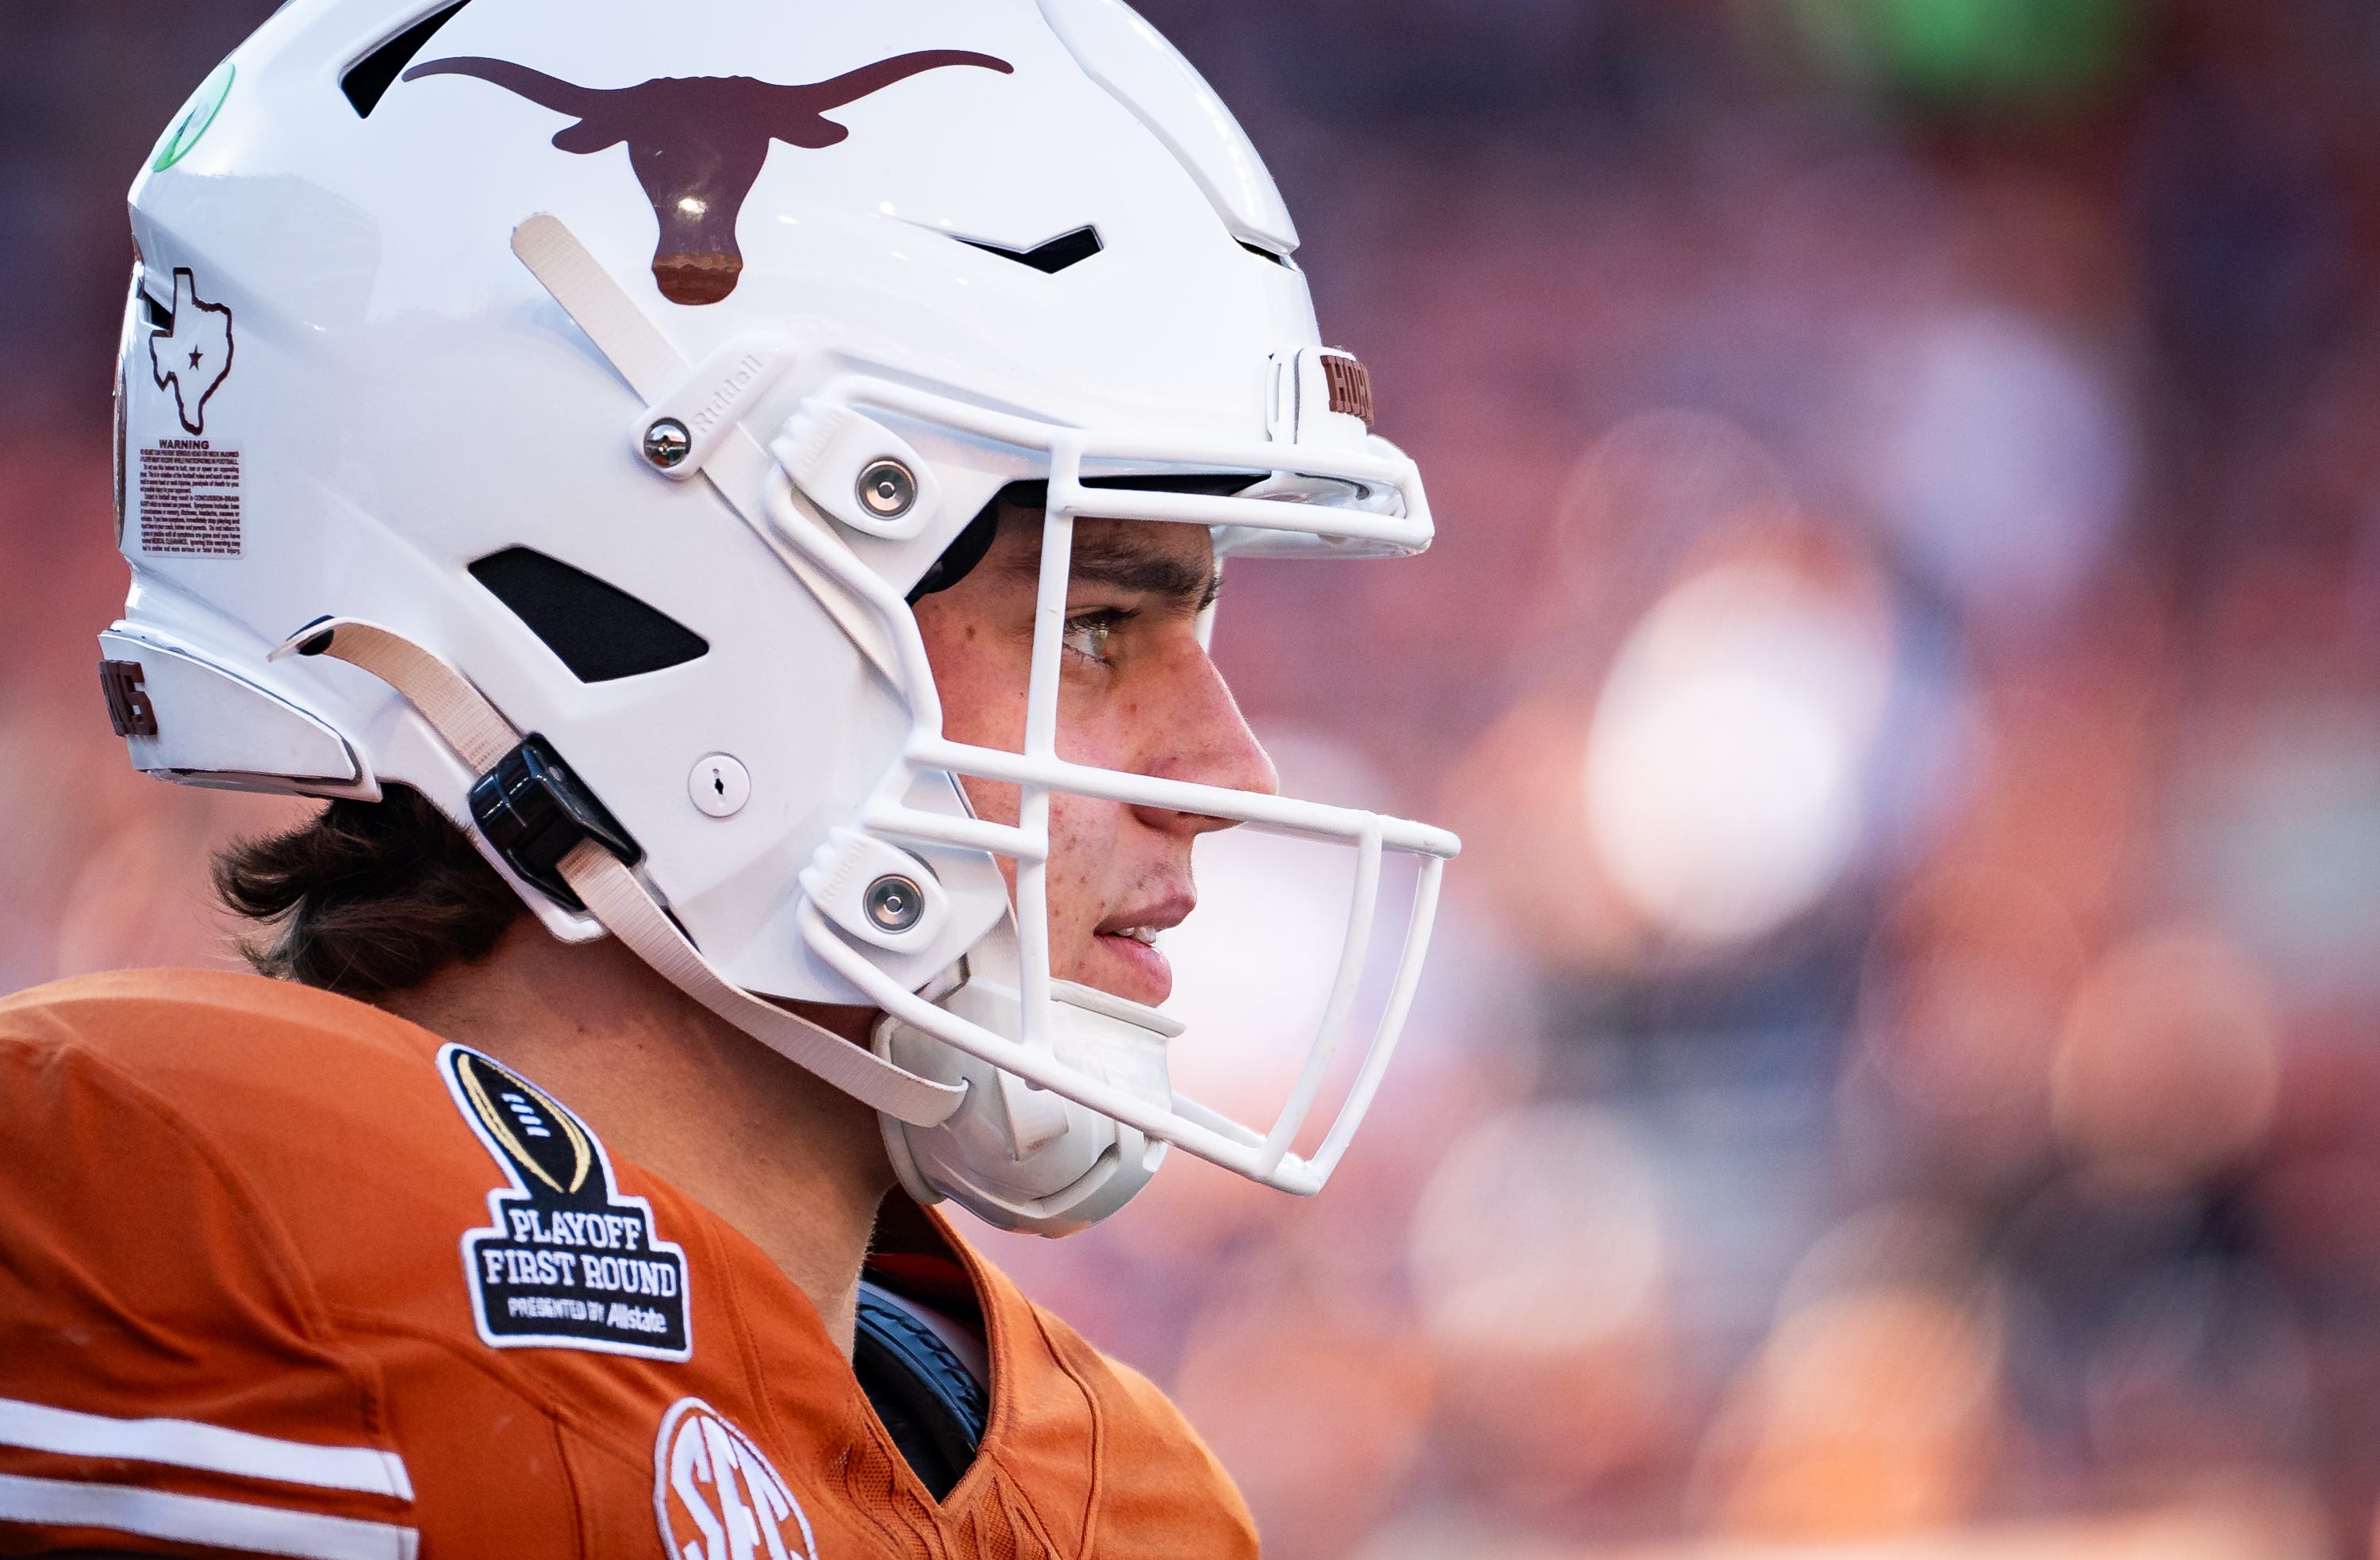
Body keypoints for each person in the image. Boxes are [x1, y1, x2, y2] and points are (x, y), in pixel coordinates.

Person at [0, 1, 1458, 1554]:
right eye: (1096, 625)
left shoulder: (1114, 1491)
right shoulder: (164, 1264)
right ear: (635, 596)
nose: (1227, 770)